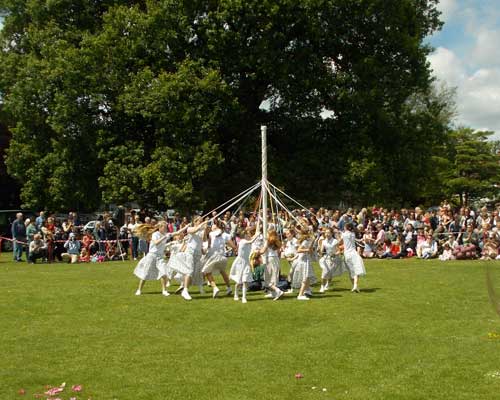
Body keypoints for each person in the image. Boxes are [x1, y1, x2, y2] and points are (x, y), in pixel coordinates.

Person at [169, 216, 208, 300]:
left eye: (202, 221)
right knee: (189, 271)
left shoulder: (201, 230)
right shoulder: (190, 228)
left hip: (197, 254)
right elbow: (194, 230)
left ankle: (184, 286)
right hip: (190, 252)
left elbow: (204, 240)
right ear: (195, 222)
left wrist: (204, 229)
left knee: (194, 272)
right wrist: (201, 226)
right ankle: (185, 291)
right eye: (200, 221)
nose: (201, 222)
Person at [133, 221, 171, 296]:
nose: (166, 228)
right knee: (145, 273)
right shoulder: (155, 234)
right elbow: (156, 242)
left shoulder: (165, 234)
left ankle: (164, 291)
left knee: (163, 272)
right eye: (164, 227)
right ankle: (139, 290)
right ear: (160, 228)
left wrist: (186, 227)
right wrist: (164, 237)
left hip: (160, 257)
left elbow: (177, 232)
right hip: (152, 256)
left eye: (166, 227)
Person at [201, 221, 236, 298]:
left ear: (216, 226)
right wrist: (228, 249)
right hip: (223, 257)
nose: (212, 226)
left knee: (206, 272)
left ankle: (215, 288)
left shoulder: (211, 234)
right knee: (222, 272)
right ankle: (229, 288)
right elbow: (233, 246)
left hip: (214, 256)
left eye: (213, 225)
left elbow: (209, 246)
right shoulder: (226, 235)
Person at [229, 226, 261, 303]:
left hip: (246, 262)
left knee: (245, 280)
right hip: (240, 263)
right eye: (247, 234)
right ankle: (236, 294)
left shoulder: (247, 240)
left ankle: (244, 297)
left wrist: (258, 224)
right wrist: (257, 235)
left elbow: (254, 235)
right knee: (239, 282)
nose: (249, 235)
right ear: (244, 235)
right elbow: (251, 241)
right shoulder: (243, 241)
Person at [258, 229, 285, 301]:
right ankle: (273, 293)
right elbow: (279, 252)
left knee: (268, 277)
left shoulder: (268, 242)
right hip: (276, 259)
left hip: (270, 259)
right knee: (274, 276)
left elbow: (262, 251)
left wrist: (257, 252)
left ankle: (278, 291)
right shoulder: (278, 242)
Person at [290, 227, 317, 300]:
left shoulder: (309, 240)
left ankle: (307, 290)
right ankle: (300, 295)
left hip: (306, 260)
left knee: (307, 276)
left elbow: (310, 251)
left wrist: (313, 242)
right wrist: (307, 249)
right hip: (303, 261)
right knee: (305, 278)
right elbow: (299, 250)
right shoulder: (305, 241)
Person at [340, 223, 366, 292]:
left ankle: (355, 286)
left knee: (351, 271)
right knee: (356, 270)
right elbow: (354, 239)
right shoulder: (353, 234)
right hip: (354, 254)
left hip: (347, 254)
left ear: (346, 228)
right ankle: (355, 286)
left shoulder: (344, 234)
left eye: (344, 227)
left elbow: (340, 242)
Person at [318, 228, 345, 292]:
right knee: (325, 272)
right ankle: (322, 286)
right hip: (326, 258)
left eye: (328, 233)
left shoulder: (335, 241)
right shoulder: (324, 241)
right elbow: (321, 251)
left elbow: (339, 251)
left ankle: (328, 283)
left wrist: (334, 254)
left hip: (334, 259)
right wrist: (320, 252)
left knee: (330, 273)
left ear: (331, 233)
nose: (327, 234)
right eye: (326, 233)